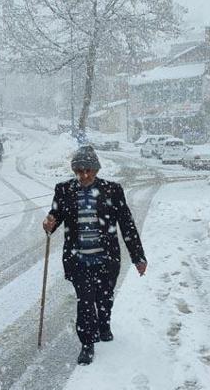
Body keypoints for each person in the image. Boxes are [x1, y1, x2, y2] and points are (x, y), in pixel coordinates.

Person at [42, 145, 147, 365]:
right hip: (78, 260)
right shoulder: (64, 190)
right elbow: (54, 218)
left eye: (88, 169)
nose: (84, 175)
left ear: (96, 169)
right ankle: (87, 344)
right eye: (79, 170)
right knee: (86, 303)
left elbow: (126, 225)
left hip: (106, 260)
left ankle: (104, 324)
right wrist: (49, 223)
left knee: (105, 298)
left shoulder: (112, 190)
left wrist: (138, 257)